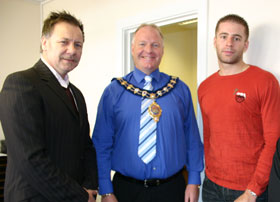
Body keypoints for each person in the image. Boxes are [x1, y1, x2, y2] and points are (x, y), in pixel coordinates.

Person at [92, 23, 204, 202]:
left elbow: (192, 138)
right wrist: (106, 190)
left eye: (155, 45)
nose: (149, 50)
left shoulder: (179, 89)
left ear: (163, 50)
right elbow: (101, 145)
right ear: (132, 48)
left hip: (172, 190)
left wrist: (194, 181)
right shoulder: (114, 92)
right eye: (142, 44)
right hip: (126, 191)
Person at [0, 11, 98, 202]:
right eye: (64, 42)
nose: (72, 50)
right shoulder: (20, 83)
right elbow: (30, 159)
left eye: (78, 44)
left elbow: (86, 146)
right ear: (44, 43)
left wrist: (90, 186)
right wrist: (80, 196)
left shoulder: (76, 94)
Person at [198, 14, 280, 202]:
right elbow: (209, 137)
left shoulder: (266, 82)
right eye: (223, 36)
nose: (229, 43)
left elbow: (273, 141)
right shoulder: (204, 87)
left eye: (236, 38)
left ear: (245, 45)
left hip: (251, 190)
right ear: (215, 41)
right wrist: (207, 176)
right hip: (211, 186)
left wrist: (252, 191)